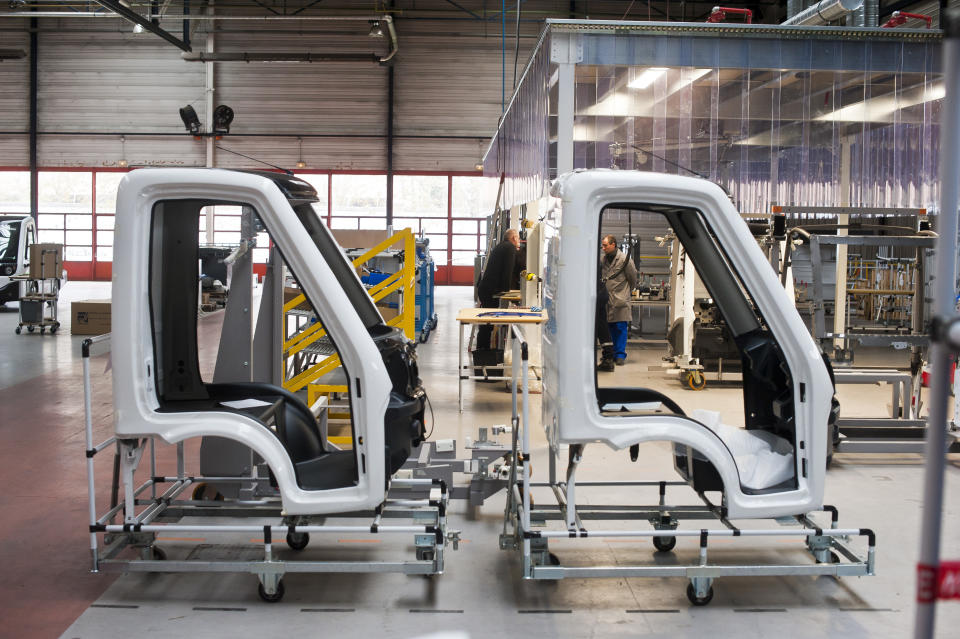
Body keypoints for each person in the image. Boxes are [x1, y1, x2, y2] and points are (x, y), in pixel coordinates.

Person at [475, 228, 520, 350]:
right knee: (487, 323)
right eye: (518, 237)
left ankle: (482, 351)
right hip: (489, 291)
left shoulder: (502, 246)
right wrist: (506, 293)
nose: (519, 240)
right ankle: (482, 353)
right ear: (513, 238)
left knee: (487, 323)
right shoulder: (510, 248)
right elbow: (507, 272)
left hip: (487, 289)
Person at [601, 234, 638, 365]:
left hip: (620, 299)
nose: (603, 248)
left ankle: (620, 355)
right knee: (609, 328)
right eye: (603, 245)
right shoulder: (604, 260)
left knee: (620, 327)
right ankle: (611, 353)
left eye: (605, 245)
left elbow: (633, 279)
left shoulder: (624, 259)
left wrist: (625, 293)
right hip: (607, 300)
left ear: (613, 245)